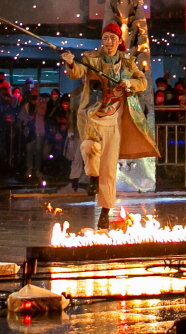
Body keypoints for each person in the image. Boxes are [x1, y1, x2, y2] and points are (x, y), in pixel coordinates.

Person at [61, 22, 157, 228]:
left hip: (115, 121)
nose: (108, 43)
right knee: (88, 147)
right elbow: (77, 72)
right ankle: (92, 175)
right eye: (105, 38)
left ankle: (105, 210)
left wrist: (130, 84)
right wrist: (70, 63)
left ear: (119, 41)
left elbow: (142, 82)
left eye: (113, 39)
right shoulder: (91, 58)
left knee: (109, 170)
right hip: (92, 117)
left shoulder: (127, 61)